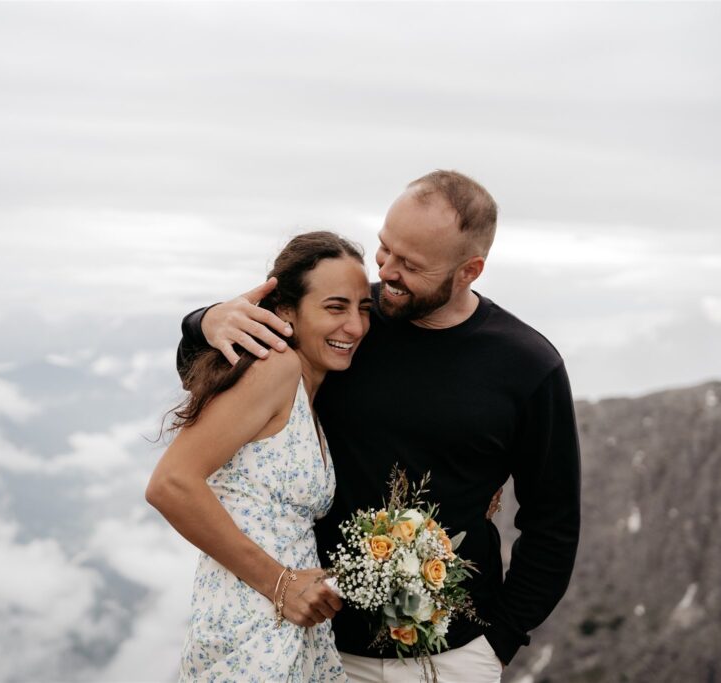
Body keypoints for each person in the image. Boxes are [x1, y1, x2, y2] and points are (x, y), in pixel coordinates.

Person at [176, 170, 581, 683]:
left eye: (411, 265)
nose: (386, 271)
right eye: (385, 250)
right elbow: (218, 369)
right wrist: (205, 319)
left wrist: (498, 640)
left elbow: (554, 523)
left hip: (453, 658)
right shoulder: (344, 318)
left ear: (469, 271)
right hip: (317, 645)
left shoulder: (528, 367)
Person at [147, 231, 374, 682]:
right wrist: (281, 584)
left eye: (363, 309)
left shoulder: (308, 392)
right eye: (335, 307)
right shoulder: (278, 368)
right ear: (286, 311)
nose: (355, 326)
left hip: (285, 625)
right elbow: (170, 484)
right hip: (252, 626)